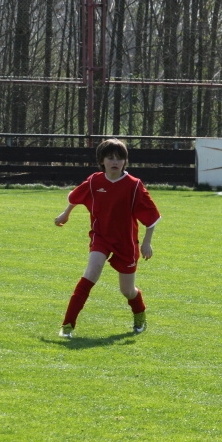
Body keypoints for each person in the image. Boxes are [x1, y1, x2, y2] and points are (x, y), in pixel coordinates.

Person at [55, 139, 161, 337]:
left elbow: (152, 217)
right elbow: (75, 197)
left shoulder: (134, 186)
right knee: (91, 273)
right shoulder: (95, 181)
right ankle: (67, 326)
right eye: (110, 158)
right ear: (101, 160)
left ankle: (139, 314)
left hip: (126, 242)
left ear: (125, 162)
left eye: (119, 158)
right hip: (101, 237)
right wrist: (65, 214)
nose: (115, 162)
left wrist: (147, 243)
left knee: (127, 291)